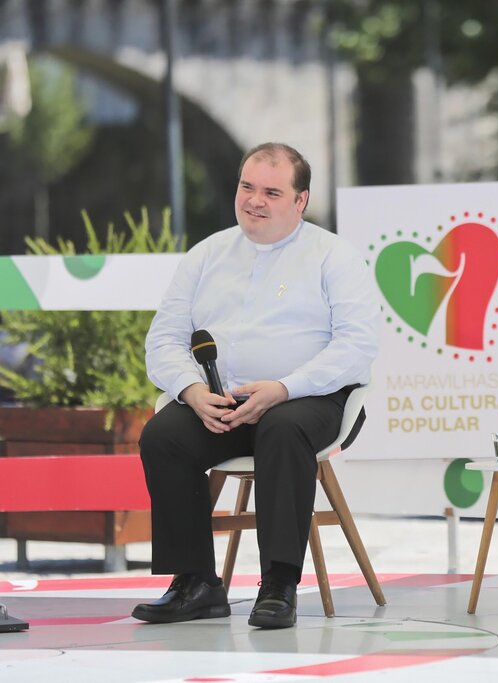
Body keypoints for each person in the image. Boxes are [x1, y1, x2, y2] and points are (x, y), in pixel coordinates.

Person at [131, 143, 380, 629]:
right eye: (247, 187)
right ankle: (196, 584)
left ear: (301, 201)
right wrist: (191, 391)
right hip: (222, 400)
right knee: (164, 436)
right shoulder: (206, 255)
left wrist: (284, 387)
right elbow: (163, 339)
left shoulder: (334, 256)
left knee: (282, 429)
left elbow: (356, 346)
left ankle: (279, 585)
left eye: (272, 192)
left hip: (310, 399)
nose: (254, 201)